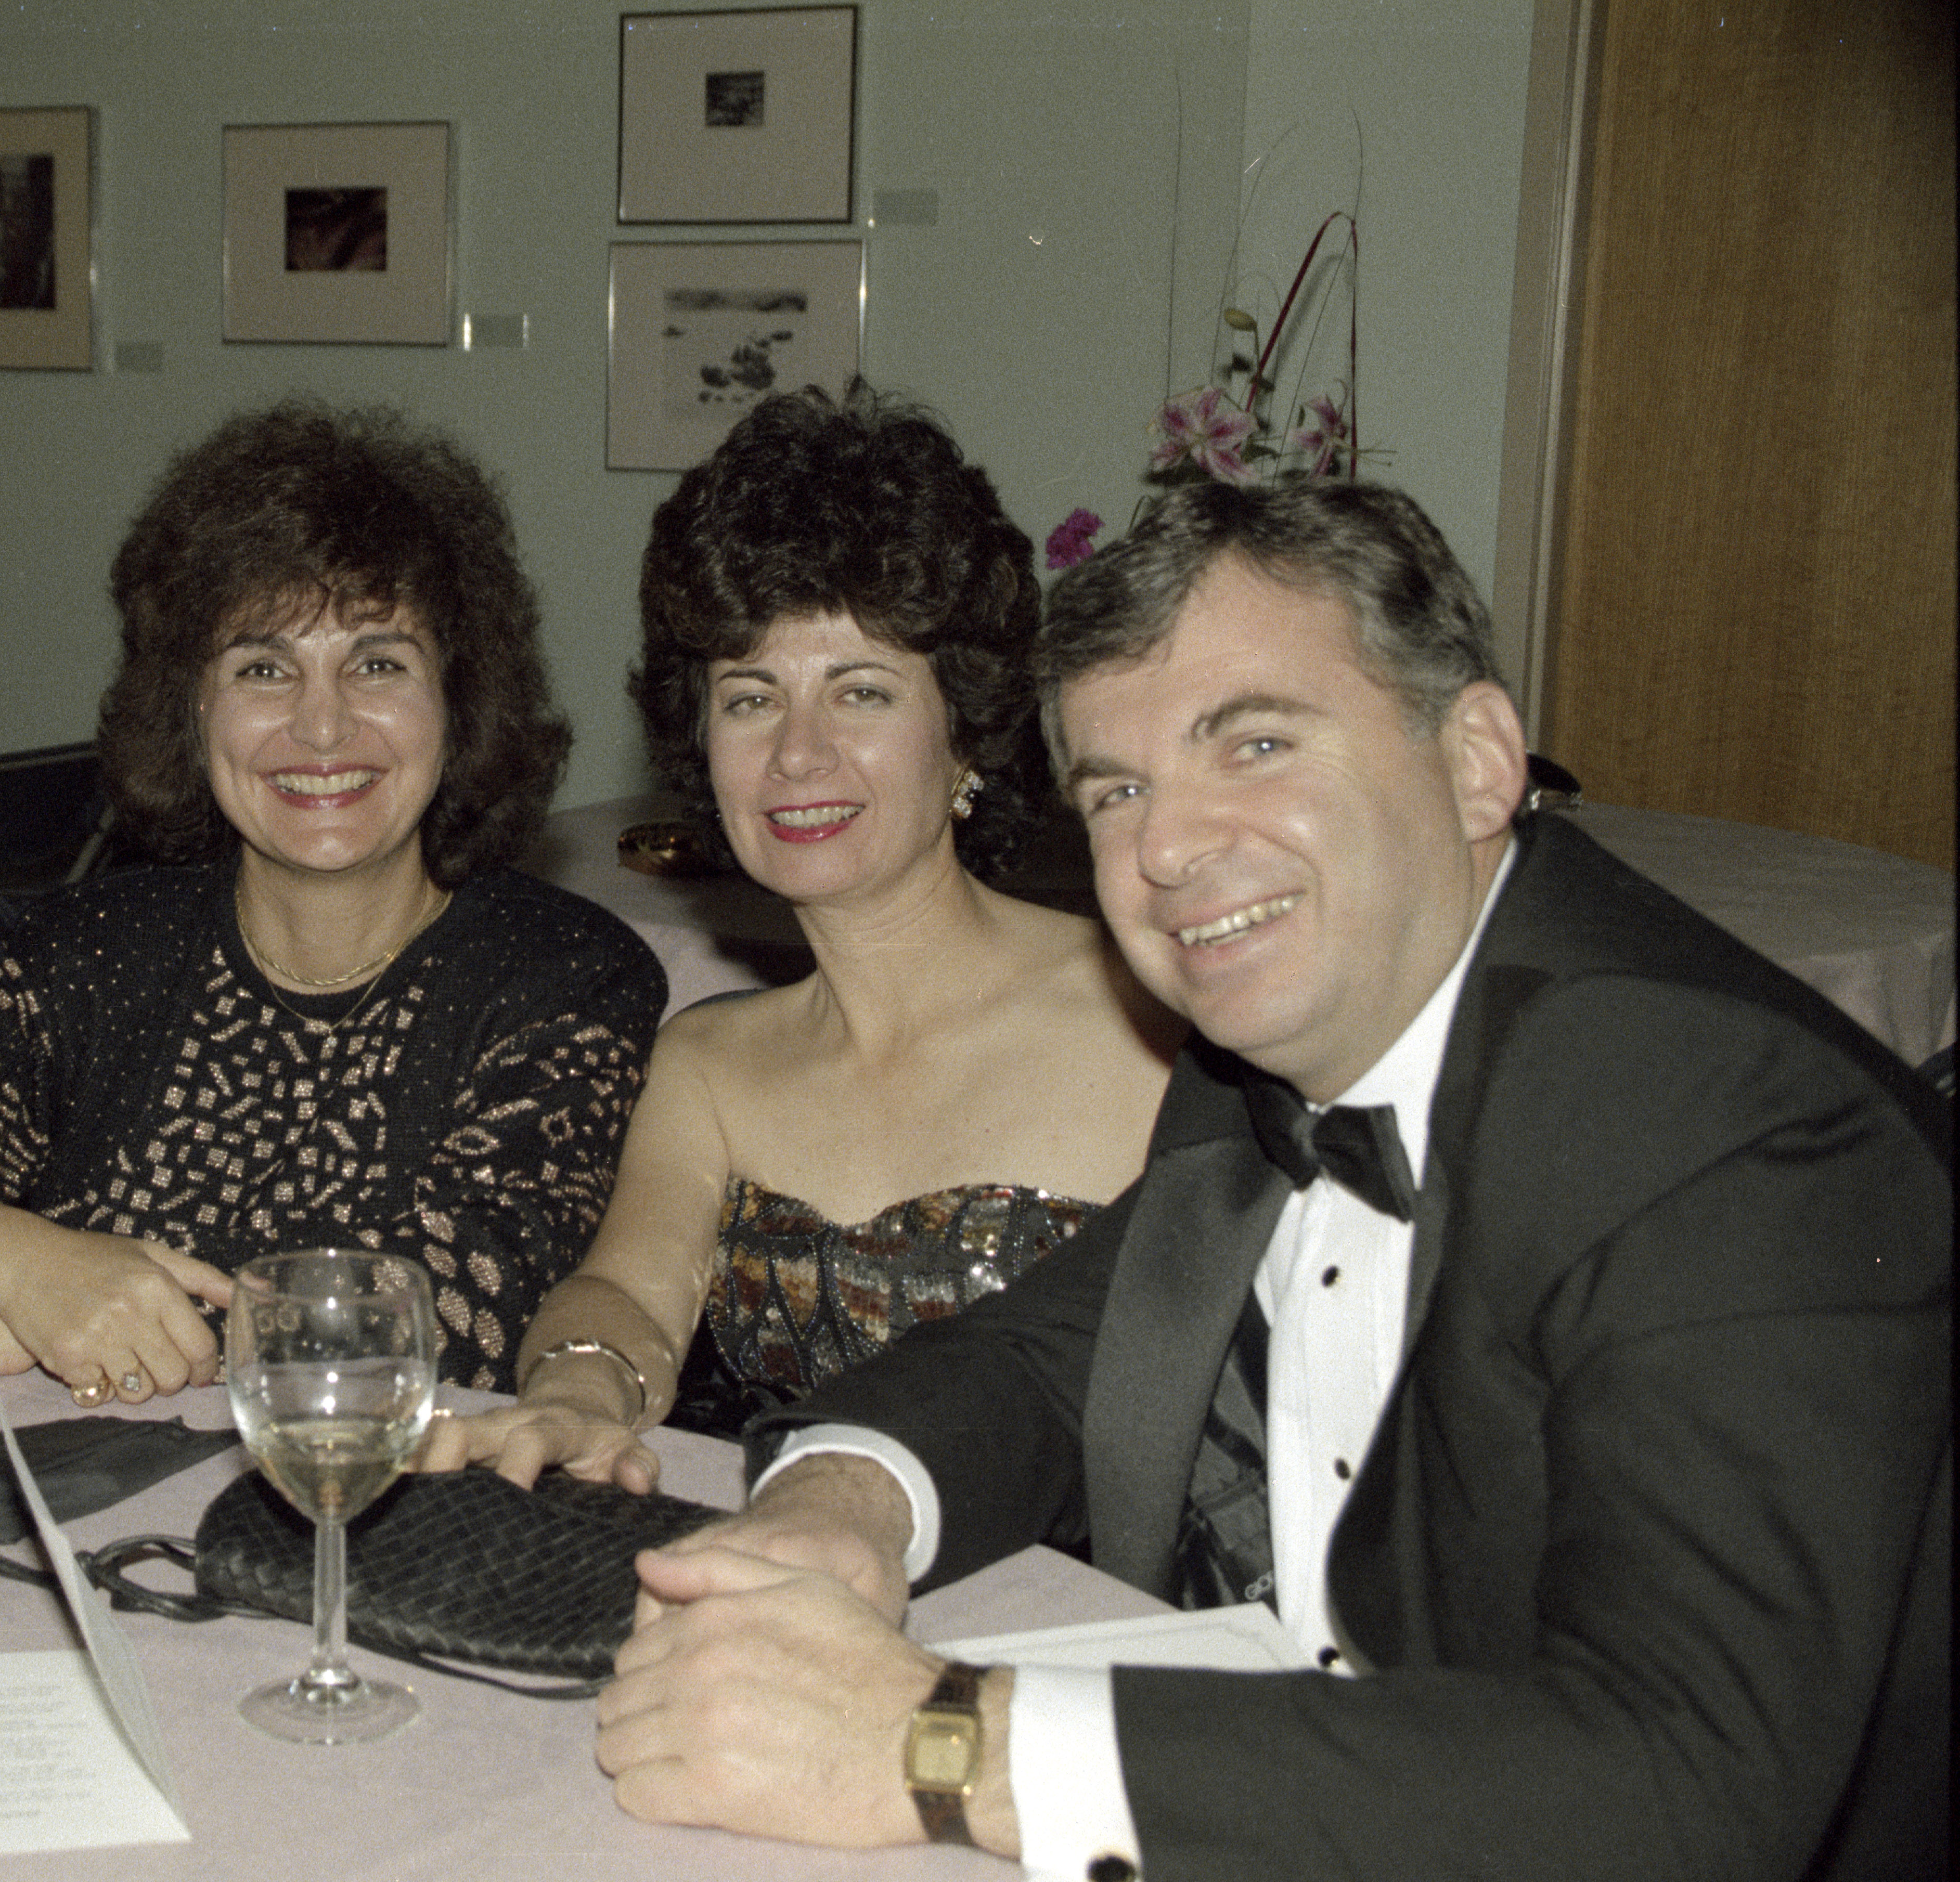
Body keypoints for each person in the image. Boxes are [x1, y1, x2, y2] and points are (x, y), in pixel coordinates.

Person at [590, 477, 1949, 1880]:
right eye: (1119, 790)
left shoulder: (1723, 1125)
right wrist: (845, 1498)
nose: (1168, 848)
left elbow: (1687, 1779)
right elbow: (1052, 1350)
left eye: (1253, 742)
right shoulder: (1281, 1048)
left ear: (1478, 759)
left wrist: (942, 1744)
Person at [0, 398, 667, 1404]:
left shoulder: (564, 976)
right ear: (191, 711)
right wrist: (21, 1270)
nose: (322, 727)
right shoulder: (96, 948)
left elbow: (466, 1303)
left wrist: (41, 1325)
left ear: (458, 702)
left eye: (377, 664)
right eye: (262, 668)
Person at [415, 385, 1177, 1487]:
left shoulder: (1147, 1020)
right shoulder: (709, 1060)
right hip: (779, 1565)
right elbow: (626, 1295)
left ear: (966, 733)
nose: (797, 753)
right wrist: (580, 1391)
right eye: (750, 698)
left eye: (860, 693)